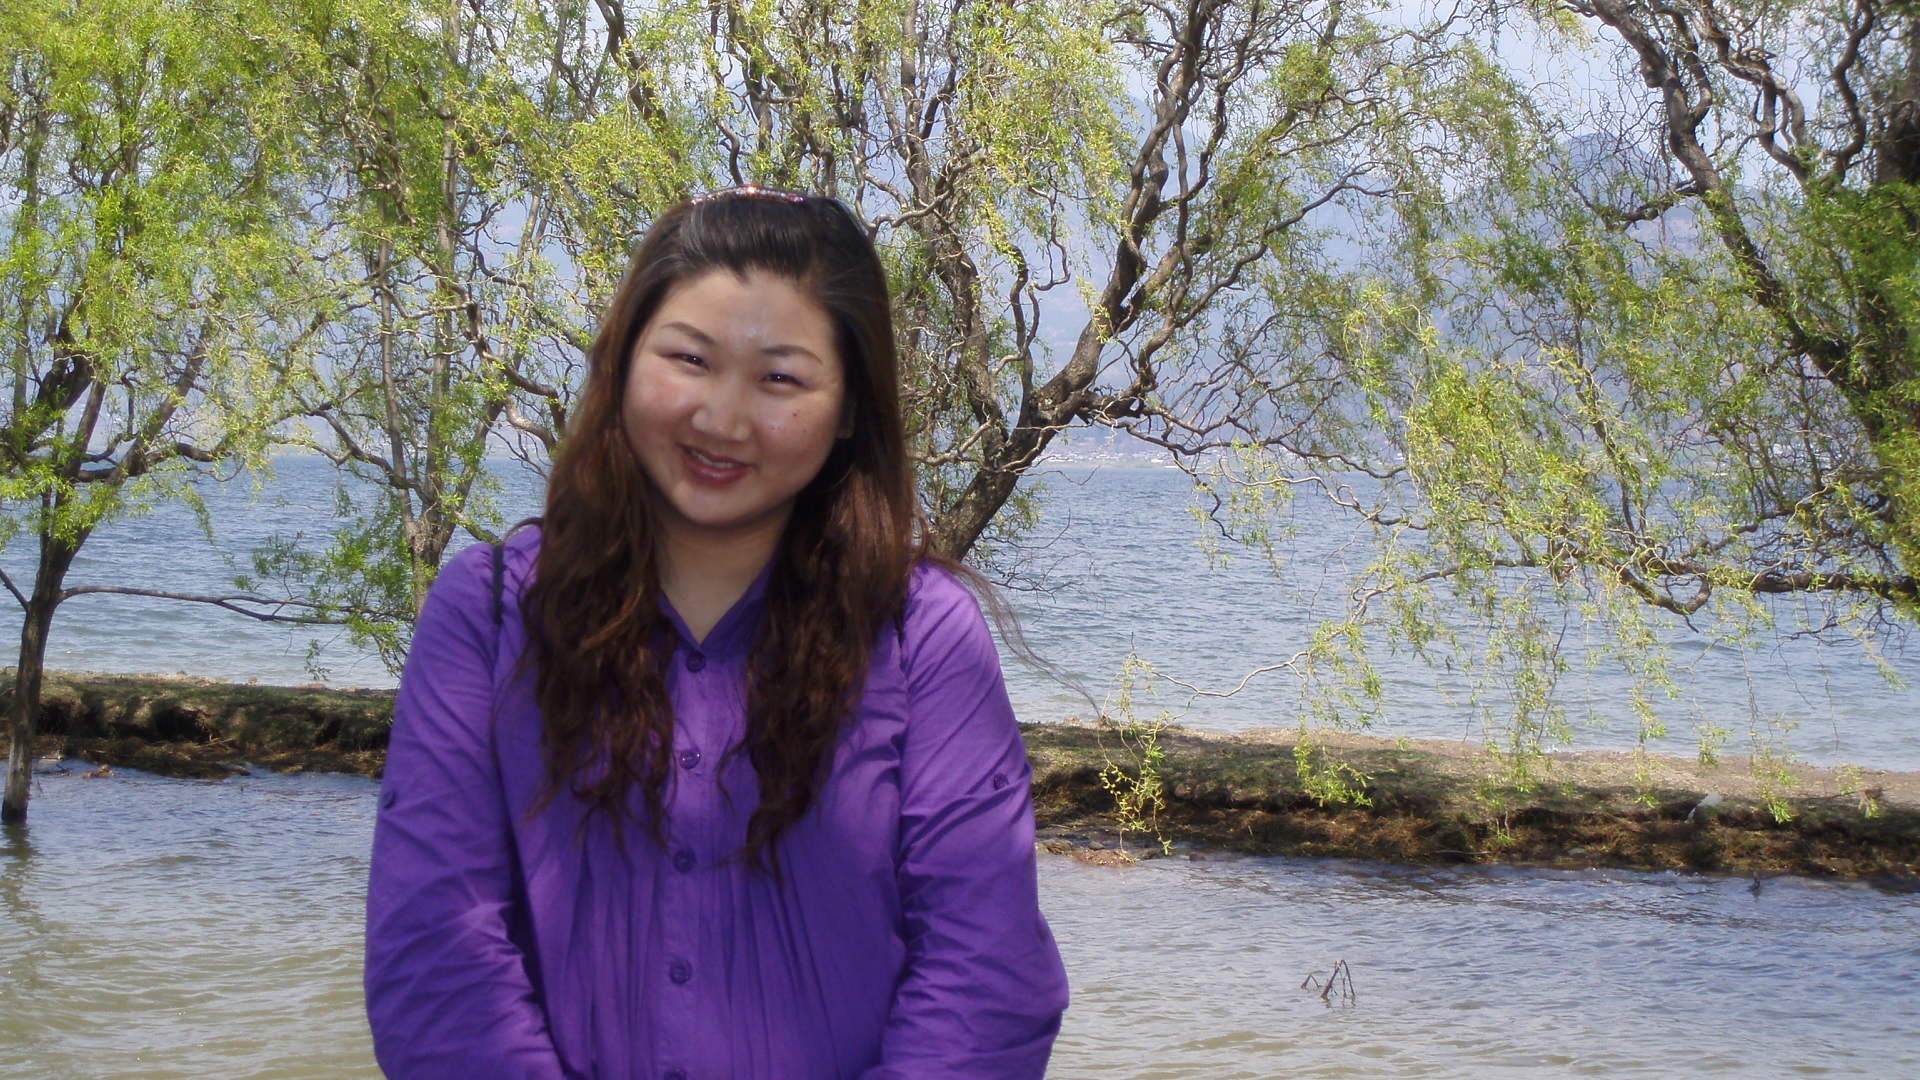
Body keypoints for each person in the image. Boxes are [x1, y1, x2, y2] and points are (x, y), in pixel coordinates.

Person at [363, 187, 1070, 1079]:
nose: (722, 420)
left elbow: (985, 976)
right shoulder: (492, 611)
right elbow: (435, 953)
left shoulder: (920, 635)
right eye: (690, 359)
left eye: (780, 379)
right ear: (623, 359)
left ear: (851, 408)